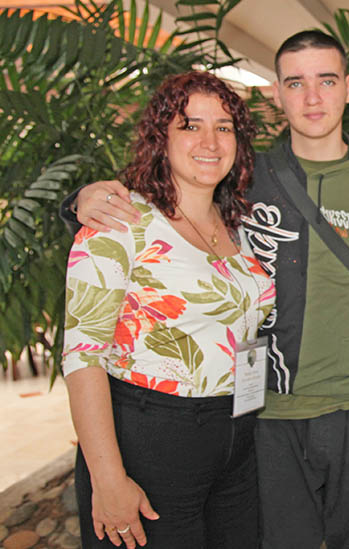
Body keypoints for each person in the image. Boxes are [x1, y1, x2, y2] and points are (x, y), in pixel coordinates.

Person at [62, 31, 349, 548]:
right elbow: (87, 342)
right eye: (295, 83)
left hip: (335, 413)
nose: (312, 97)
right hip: (264, 418)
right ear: (276, 93)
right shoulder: (245, 178)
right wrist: (80, 198)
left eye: (326, 81)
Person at [62, 71, 274, 549]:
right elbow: (82, 357)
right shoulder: (119, 223)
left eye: (224, 127)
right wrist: (108, 478)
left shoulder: (237, 223)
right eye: (190, 125)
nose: (210, 141)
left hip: (235, 436)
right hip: (151, 439)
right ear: (161, 136)